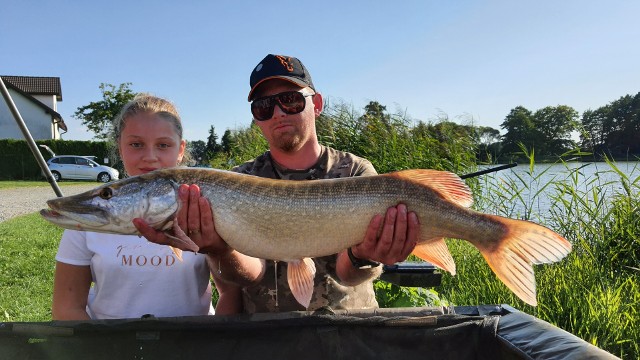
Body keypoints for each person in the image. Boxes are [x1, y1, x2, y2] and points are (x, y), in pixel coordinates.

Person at [138, 54, 419, 313]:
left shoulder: (355, 172)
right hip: (265, 337)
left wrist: (364, 256)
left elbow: (348, 274)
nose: (279, 113)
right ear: (256, 118)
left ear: (317, 104)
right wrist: (219, 249)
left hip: (346, 332)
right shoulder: (241, 178)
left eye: (291, 100)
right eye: (264, 107)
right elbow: (251, 273)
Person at [52, 94, 240, 320]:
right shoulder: (87, 221)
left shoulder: (203, 206)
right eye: (136, 144)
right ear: (120, 148)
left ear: (180, 150)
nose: (150, 157)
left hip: (191, 346)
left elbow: (231, 293)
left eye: (163, 145)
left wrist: (211, 345)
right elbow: (67, 308)